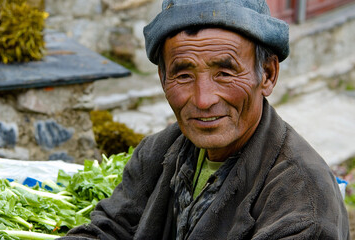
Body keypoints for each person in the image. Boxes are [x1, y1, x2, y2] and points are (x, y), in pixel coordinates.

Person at [59, 0, 350, 239]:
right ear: (163, 79)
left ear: (268, 75)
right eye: (183, 75)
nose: (203, 99)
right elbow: (109, 229)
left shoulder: (302, 199)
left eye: (224, 73)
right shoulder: (159, 151)